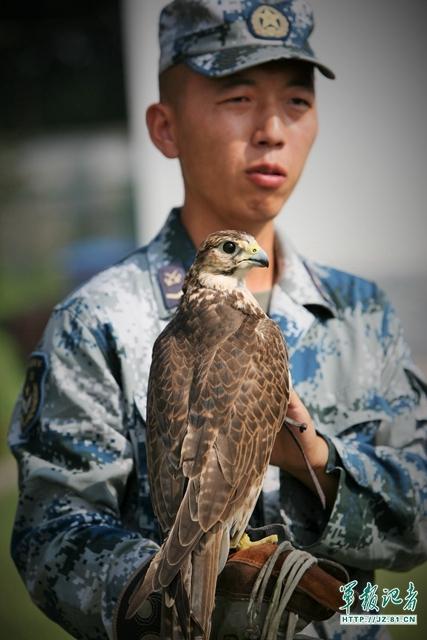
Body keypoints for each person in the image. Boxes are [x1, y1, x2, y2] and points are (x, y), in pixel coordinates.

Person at [8, 1, 427, 639]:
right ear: (166, 128)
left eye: (296, 102)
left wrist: (359, 603)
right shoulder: (95, 321)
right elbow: (49, 537)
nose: (271, 129)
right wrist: (177, 589)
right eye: (237, 98)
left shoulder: (362, 311)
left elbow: (417, 538)